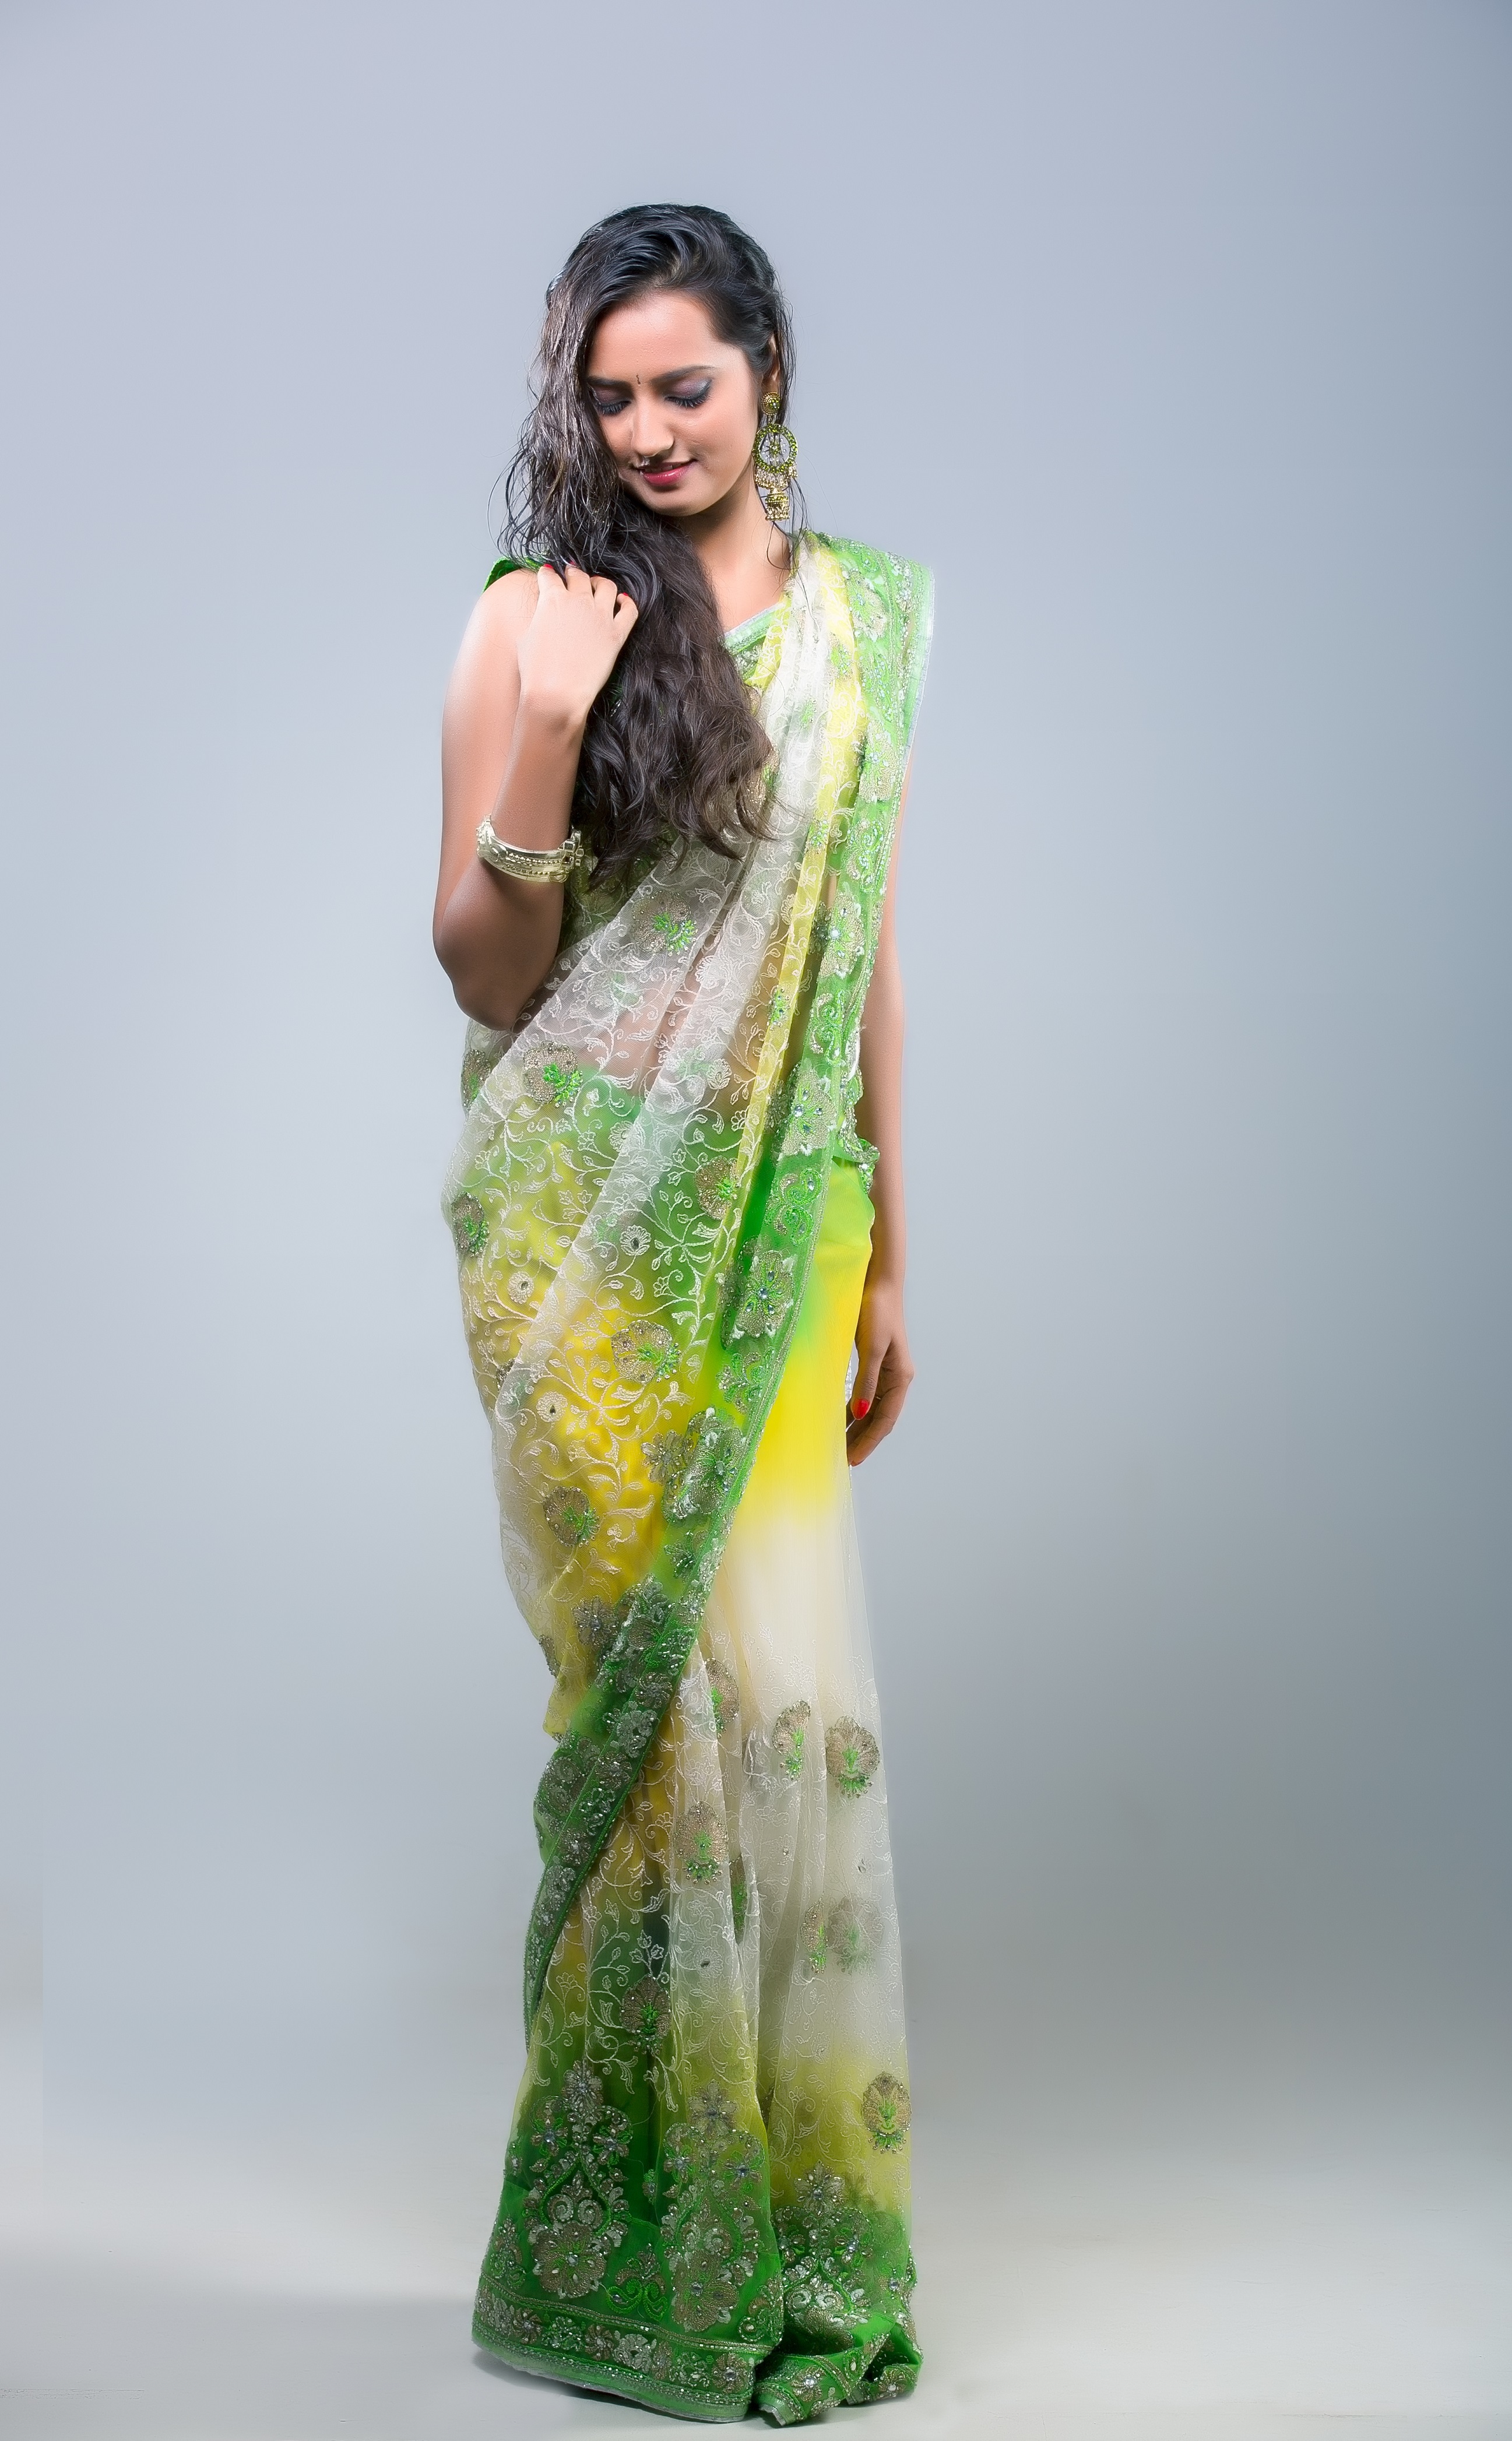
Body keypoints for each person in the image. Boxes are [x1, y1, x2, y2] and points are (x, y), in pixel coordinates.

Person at [434, 204, 931, 2426]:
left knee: (789, 1719)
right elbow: (485, 975)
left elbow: (864, 942)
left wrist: (894, 1237)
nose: (648, 432)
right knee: (651, 1736)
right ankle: (628, 2257)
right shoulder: (533, 616)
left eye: (687, 387)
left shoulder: (863, 627)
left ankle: (791, 2230)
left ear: (768, 375)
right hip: (580, 1241)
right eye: (611, 395)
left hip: (786, 1219)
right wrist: (546, 728)